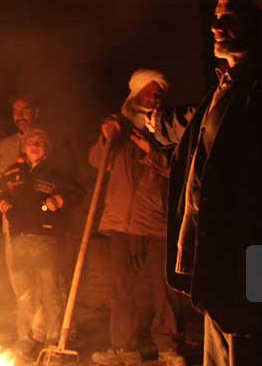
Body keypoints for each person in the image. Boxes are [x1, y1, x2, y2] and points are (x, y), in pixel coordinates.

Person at [150, 0, 262, 365]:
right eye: (217, 14)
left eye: (231, 16)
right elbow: (190, 126)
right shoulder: (232, 85)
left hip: (257, 275)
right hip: (221, 270)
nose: (217, 24)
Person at [88, 69, 185, 366]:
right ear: (135, 94)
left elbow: (177, 169)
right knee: (121, 288)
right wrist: (106, 139)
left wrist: (151, 152)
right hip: (121, 221)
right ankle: (124, 348)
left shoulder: (167, 129)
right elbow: (97, 162)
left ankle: (168, 346)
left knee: (164, 289)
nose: (154, 98)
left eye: (158, 94)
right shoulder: (118, 126)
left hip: (156, 220)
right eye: (148, 92)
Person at [0, 127, 85, 361]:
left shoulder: (56, 173)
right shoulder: (14, 172)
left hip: (46, 238)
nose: (34, 146)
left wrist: (60, 199)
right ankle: (26, 339)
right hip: (19, 238)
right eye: (30, 142)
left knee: (50, 291)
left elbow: (78, 192)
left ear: (46, 149)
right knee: (24, 293)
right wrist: (3, 202)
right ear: (23, 148)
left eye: (39, 143)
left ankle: (52, 340)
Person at [0, 95, 47, 342]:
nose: (20, 116)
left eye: (26, 110)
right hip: (14, 225)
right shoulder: (5, 147)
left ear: (36, 111)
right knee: (21, 280)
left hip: (47, 227)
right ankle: (27, 335)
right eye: (16, 112)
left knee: (47, 279)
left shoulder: (48, 142)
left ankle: (49, 332)